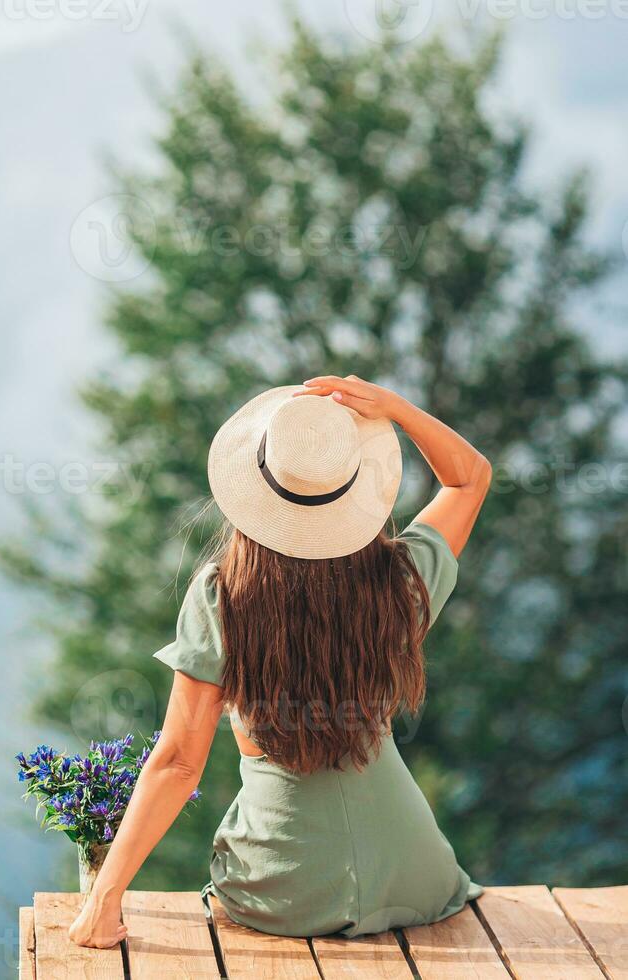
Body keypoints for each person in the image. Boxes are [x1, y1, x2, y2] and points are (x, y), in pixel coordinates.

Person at [69, 374, 492, 948]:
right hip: (415, 880)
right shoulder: (400, 581)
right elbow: (469, 478)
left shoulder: (224, 597)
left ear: (253, 489)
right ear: (354, 490)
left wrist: (103, 899)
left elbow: (176, 764)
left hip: (284, 892)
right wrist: (394, 408)